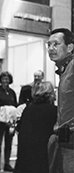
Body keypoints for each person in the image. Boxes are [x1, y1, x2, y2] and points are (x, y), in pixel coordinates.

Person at [47, 28, 74, 173]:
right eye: (48, 45)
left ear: (69, 47)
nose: (51, 48)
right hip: (62, 140)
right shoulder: (64, 70)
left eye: (56, 44)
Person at [14, 81, 57, 173]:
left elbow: (20, 128)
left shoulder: (28, 109)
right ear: (49, 94)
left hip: (26, 153)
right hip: (43, 153)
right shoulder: (53, 110)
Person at [0, 71, 17, 173]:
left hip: (10, 121)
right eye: (3, 78)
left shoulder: (12, 92)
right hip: (0, 121)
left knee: (9, 143)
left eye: (7, 79)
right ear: (1, 80)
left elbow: (15, 105)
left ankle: (7, 164)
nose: (5, 81)